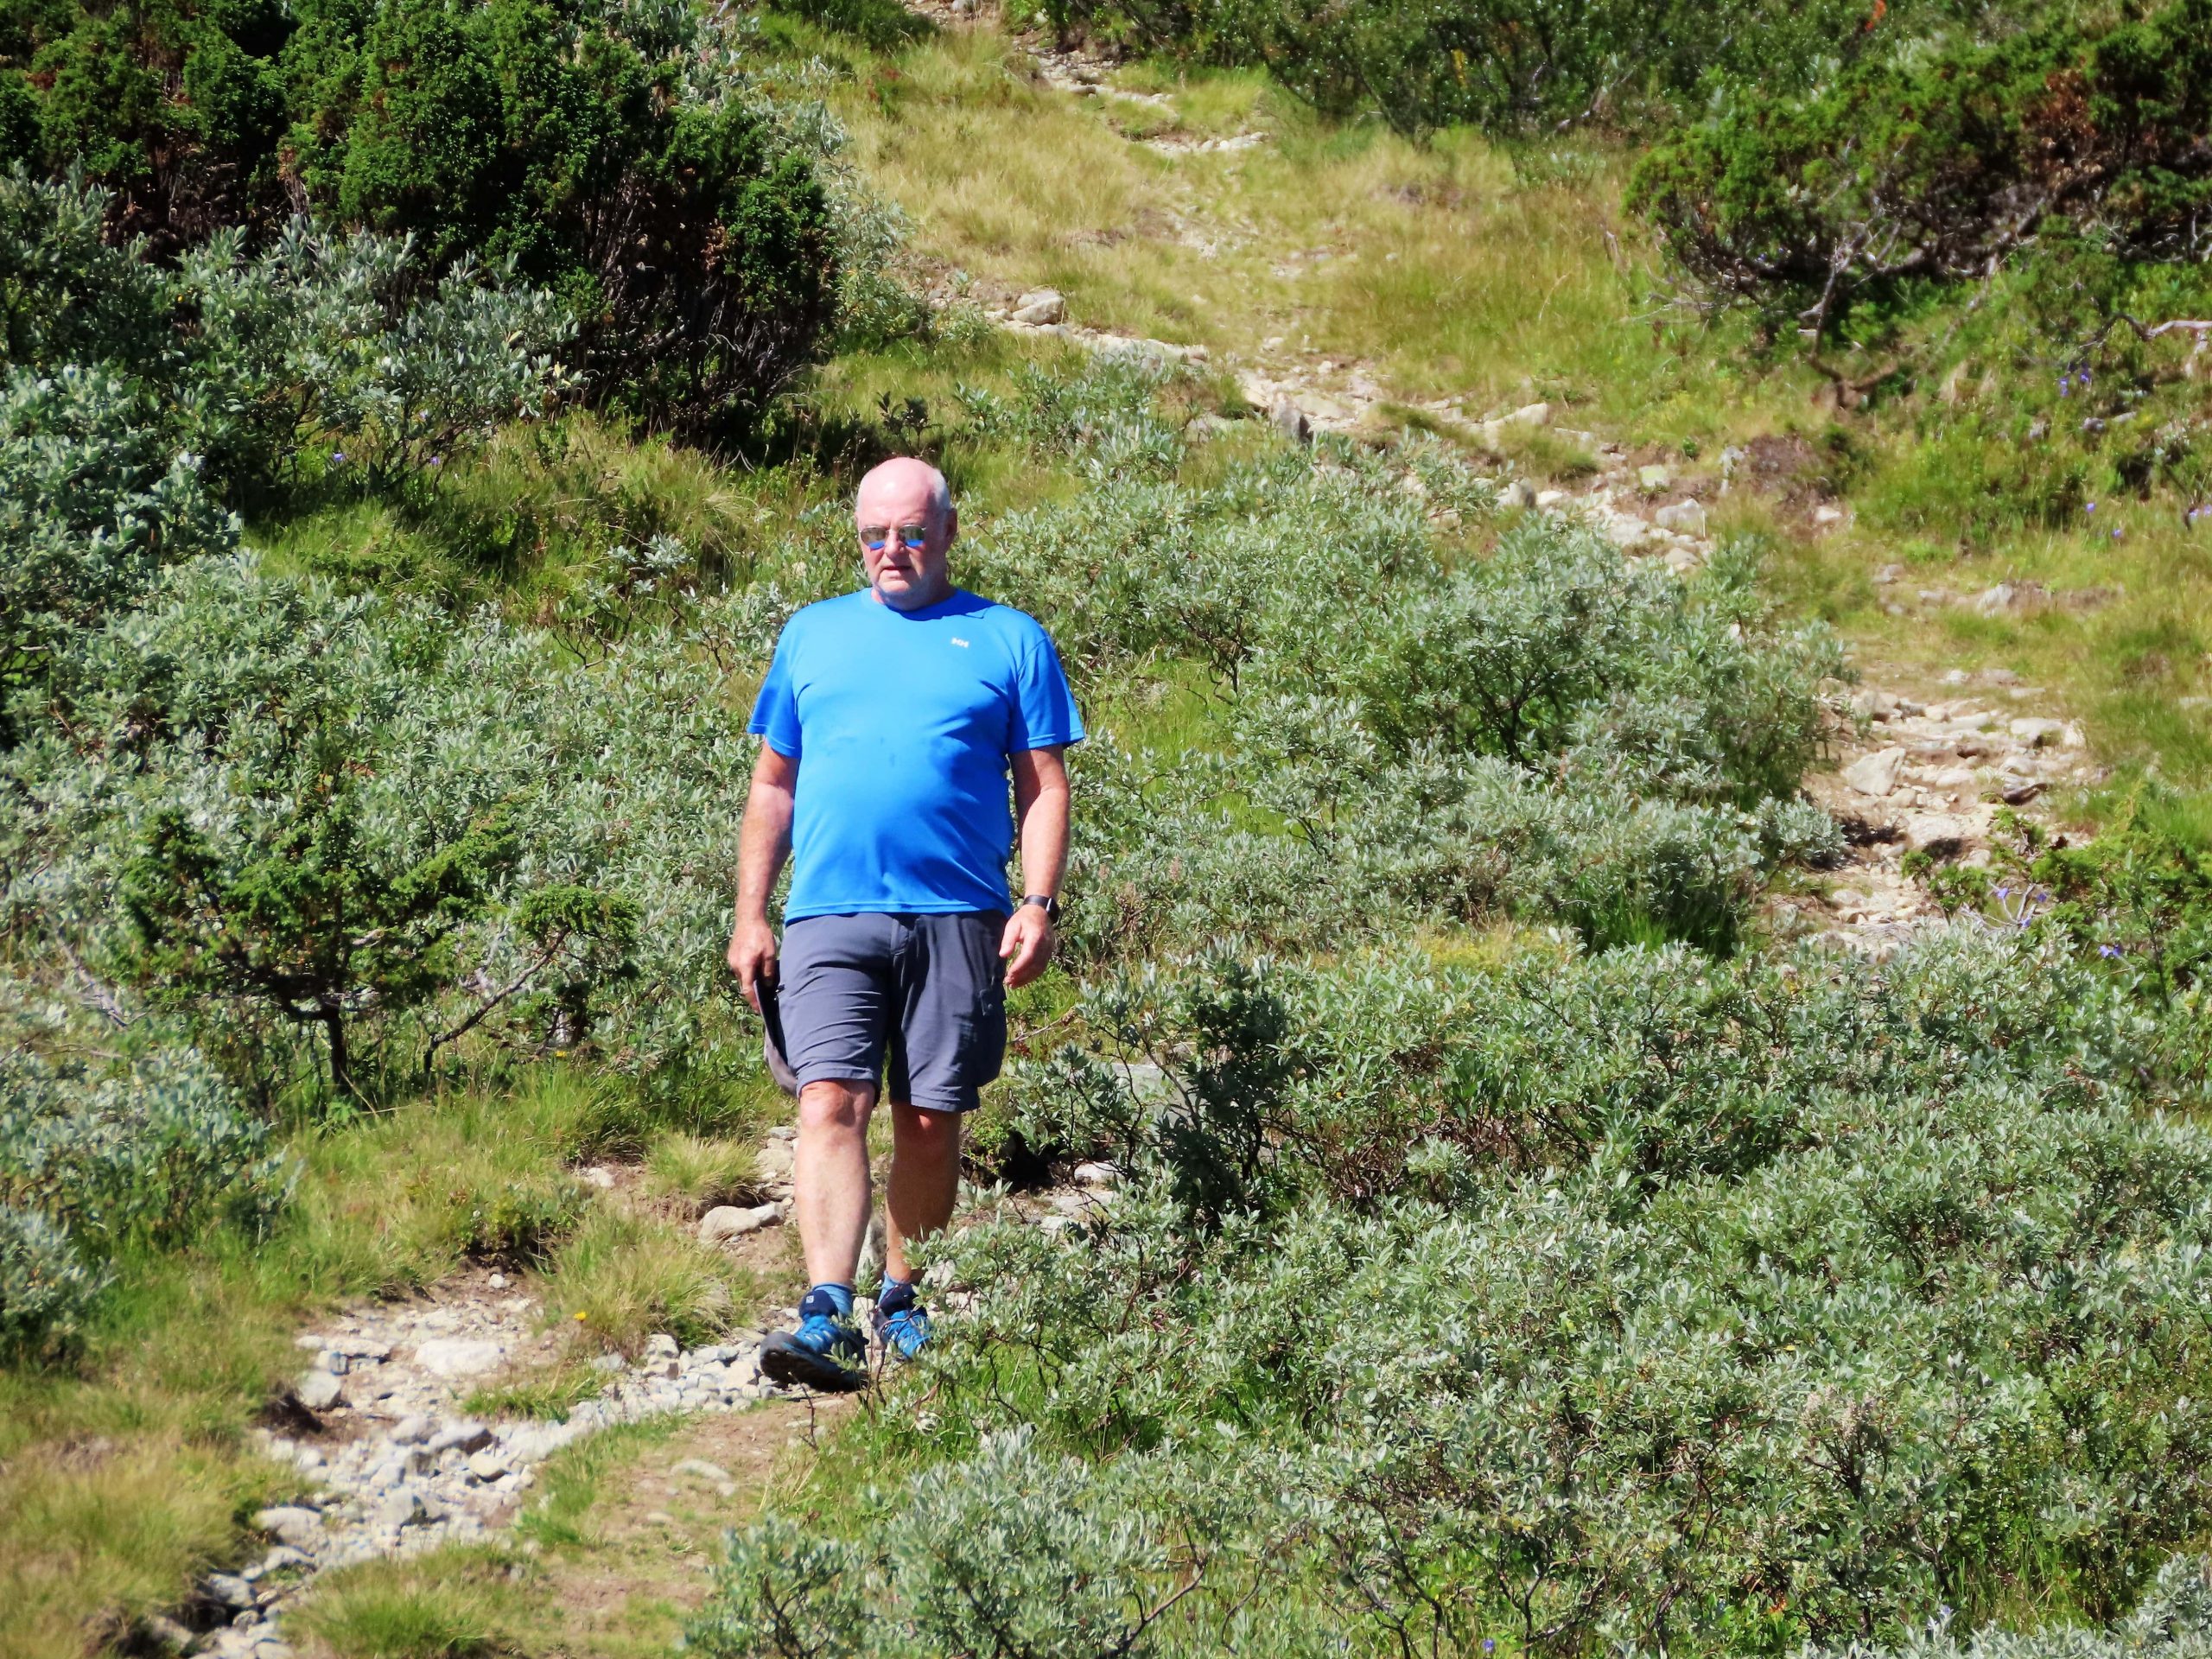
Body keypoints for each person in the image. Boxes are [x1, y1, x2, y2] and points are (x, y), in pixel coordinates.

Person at [727, 456, 1083, 1391]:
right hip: (827, 915)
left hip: (960, 913)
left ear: (949, 533)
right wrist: (750, 915)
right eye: (874, 535)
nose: (892, 550)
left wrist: (1036, 903)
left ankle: (903, 1296)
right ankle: (826, 1311)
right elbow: (772, 786)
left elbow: (1042, 786)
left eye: (911, 533)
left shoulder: (1007, 639)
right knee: (829, 1100)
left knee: (930, 1118)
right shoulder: (811, 635)